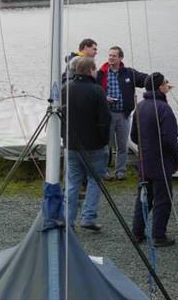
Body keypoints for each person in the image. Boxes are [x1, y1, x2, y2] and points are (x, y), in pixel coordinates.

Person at [61, 56, 111, 232]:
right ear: (90, 70)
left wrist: (64, 138)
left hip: (71, 145)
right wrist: (105, 141)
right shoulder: (97, 91)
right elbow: (105, 120)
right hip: (94, 145)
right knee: (94, 181)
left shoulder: (65, 89)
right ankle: (88, 217)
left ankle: (68, 219)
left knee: (72, 182)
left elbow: (60, 117)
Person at [130, 72, 178, 247]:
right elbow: (170, 139)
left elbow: (133, 136)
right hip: (161, 161)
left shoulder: (140, 106)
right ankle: (159, 235)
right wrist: (175, 155)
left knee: (144, 196)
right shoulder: (163, 108)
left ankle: (137, 232)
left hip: (144, 160)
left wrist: (146, 146)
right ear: (161, 87)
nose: (167, 85)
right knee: (162, 199)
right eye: (166, 83)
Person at [96, 46, 147, 181]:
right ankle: (104, 171)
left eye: (114, 56)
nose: (111, 58)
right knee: (106, 145)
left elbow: (144, 79)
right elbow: (94, 90)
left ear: (120, 58)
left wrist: (159, 81)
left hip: (123, 114)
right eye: (110, 55)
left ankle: (120, 171)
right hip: (107, 114)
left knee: (122, 145)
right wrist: (104, 98)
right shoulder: (101, 73)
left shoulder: (128, 73)